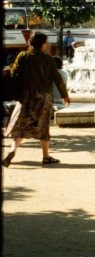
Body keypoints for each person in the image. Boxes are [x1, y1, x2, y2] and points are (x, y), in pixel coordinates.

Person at [2, 31, 70, 167]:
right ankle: (45, 156)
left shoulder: (23, 56)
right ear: (43, 44)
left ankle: (12, 150)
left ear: (30, 43)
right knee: (43, 126)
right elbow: (58, 79)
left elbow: (14, 72)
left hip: (25, 97)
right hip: (44, 98)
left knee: (20, 125)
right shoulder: (48, 59)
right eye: (46, 42)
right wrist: (65, 95)